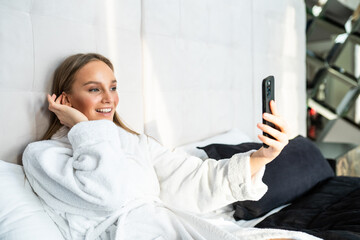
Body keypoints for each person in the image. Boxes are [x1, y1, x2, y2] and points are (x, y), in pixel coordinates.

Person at [22, 53, 320, 240]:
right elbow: (107, 195)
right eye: (94, 89)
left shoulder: (133, 142)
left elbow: (194, 178)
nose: (109, 99)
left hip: (172, 229)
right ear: (66, 100)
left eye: (112, 87)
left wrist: (264, 155)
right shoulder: (43, 155)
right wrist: (86, 130)